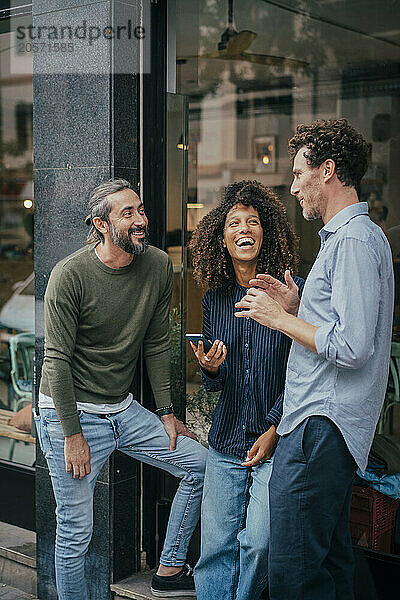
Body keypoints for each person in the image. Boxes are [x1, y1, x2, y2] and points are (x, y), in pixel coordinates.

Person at [235, 119, 394, 600]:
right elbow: (341, 324)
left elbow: (352, 345)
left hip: (317, 426)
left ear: (327, 171)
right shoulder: (355, 239)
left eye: (299, 172)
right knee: (326, 566)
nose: (293, 185)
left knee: (294, 575)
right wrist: (295, 304)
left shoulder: (351, 241)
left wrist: (277, 319)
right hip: (321, 427)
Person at [34, 179, 207, 600]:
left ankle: (167, 572)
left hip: (123, 410)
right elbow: (55, 361)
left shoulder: (158, 266)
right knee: (76, 532)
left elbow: (156, 340)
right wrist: (73, 435)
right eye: (127, 213)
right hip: (69, 413)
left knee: (199, 464)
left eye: (141, 210)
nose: (141, 221)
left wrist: (165, 411)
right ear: (101, 223)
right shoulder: (70, 275)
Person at [189, 180, 303, 600]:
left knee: (259, 543)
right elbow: (213, 381)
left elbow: (304, 373)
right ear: (221, 238)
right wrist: (211, 369)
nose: (244, 228)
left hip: (276, 441)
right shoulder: (216, 299)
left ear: (266, 232)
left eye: (253, 221)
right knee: (215, 548)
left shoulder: (291, 294)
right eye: (234, 222)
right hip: (227, 440)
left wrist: (274, 428)